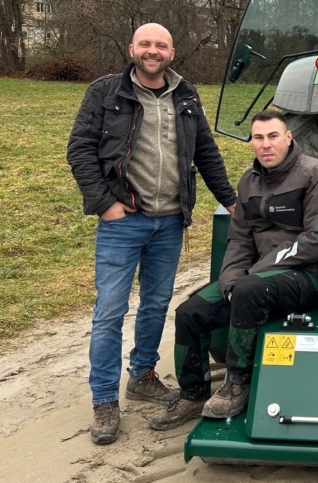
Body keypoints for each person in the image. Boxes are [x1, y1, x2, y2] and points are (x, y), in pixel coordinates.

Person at [67, 23, 237, 445]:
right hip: (123, 221)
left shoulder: (186, 95)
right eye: (145, 44)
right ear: (132, 49)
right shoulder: (105, 92)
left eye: (161, 45)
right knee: (110, 311)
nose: (152, 51)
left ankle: (142, 374)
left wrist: (232, 201)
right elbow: (80, 150)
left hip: (170, 221)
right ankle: (104, 398)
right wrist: (105, 204)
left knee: (156, 304)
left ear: (172, 53)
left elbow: (206, 153)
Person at [147, 110, 318, 431]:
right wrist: (231, 280)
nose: (266, 144)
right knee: (190, 312)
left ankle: (238, 383)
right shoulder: (248, 182)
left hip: (311, 276)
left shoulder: (317, 174)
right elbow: (239, 240)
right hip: (258, 277)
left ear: (289, 137)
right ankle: (193, 393)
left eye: (273, 136)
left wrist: (252, 275)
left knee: (250, 289)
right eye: (258, 138)